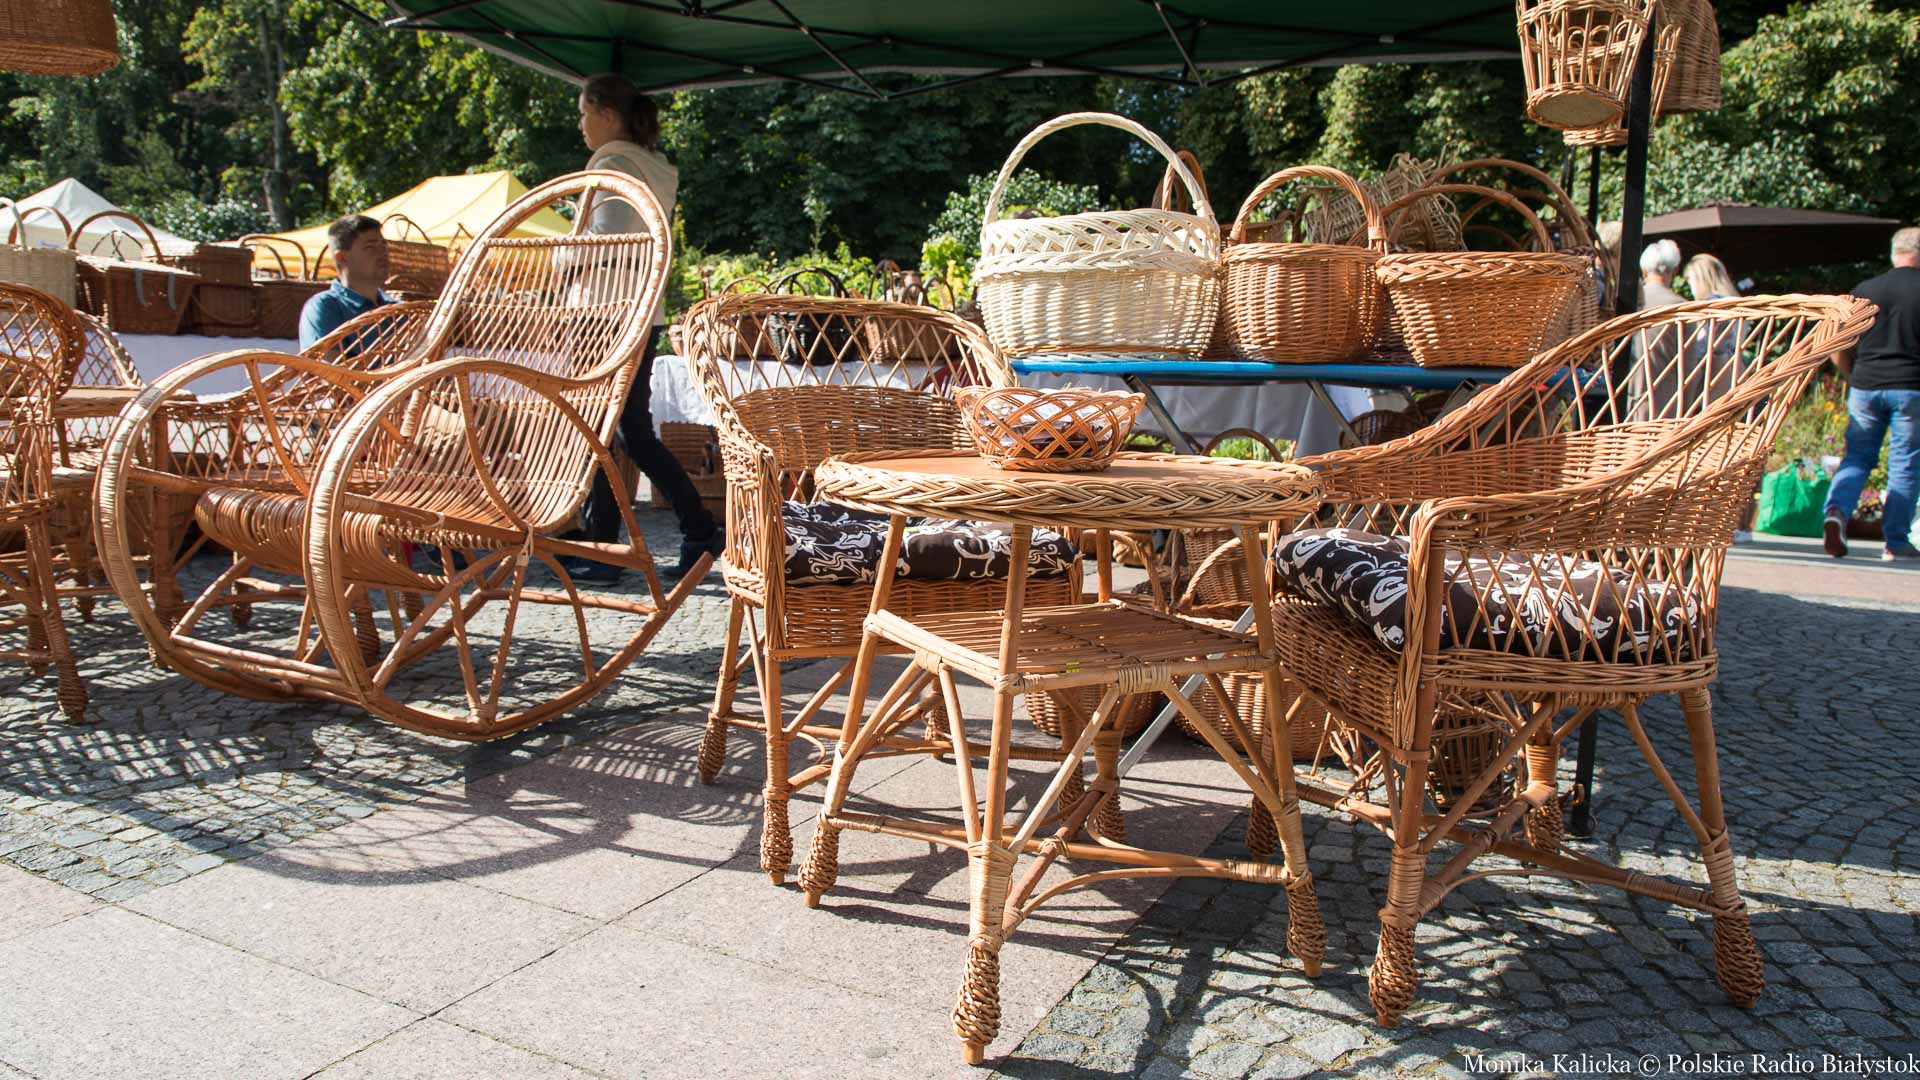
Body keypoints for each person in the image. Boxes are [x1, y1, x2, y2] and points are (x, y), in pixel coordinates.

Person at [565, 72, 720, 583]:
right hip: (636, 311)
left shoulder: (613, 165)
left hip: (603, 312)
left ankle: (611, 547)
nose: (580, 124)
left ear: (608, 115)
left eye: (585, 113)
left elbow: (609, 240)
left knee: (604, 431)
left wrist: (563, 259)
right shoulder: (652, 168)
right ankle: (688, 529)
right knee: (625, 431)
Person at [1824, 226, 1920, 561]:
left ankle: (1836, 511)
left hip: (1865, 385)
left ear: (1894, 253)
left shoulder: (1865, 290)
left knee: (1857, 456)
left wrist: (1850, 375)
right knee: (1905, 463)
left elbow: (1836, 342)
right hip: (1911, 387)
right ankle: (1895, 541)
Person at [297, 215, 393, 351]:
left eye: (384, 246)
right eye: (370, 247)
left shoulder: (398, 308)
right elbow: (329, 364)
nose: (383, 253)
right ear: (341, 258)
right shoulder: (326, 307)